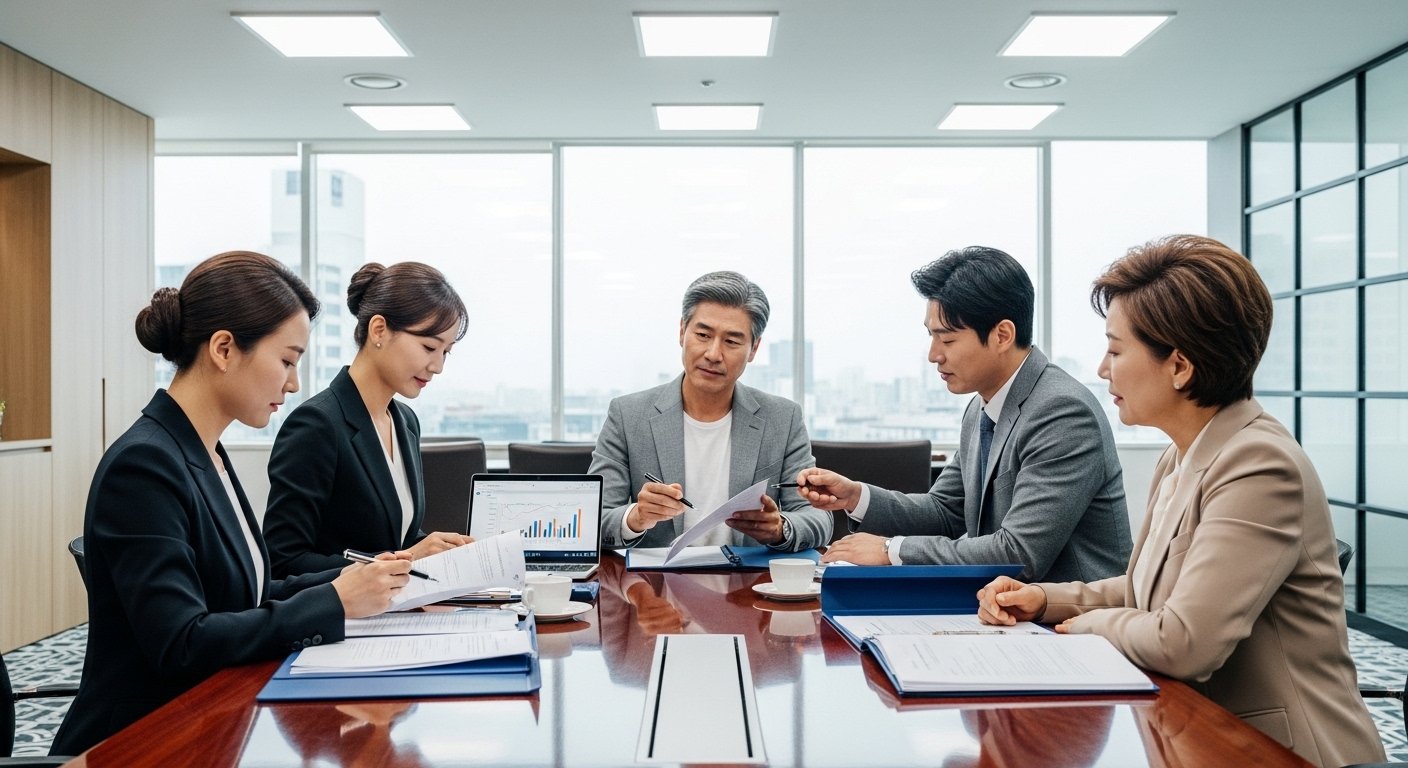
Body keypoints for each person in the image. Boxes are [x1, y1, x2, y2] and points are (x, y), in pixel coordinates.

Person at [976, 235, 1384, 767]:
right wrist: (1045, 600)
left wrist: (1083, 628)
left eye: (1116, 350)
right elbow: (1149, 588)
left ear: (1181, 366)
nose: (1103, 370)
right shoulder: (1184, 454)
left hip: (1278, 751)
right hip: (1191, 734)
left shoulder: (1260, 465)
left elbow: (1184, 641)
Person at [51, 252, 410, 756]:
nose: (293, 383)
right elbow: (182, 642)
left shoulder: (205, 451)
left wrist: (354, 581)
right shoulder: (144, 466)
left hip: (211, 721)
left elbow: (248, 591)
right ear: (223, 348)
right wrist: (333, 602)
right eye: (286, 360)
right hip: (142, 741)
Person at [799, 247, 1131, 582]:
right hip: (1003, 609)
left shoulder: (1061, 412)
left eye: (948, 339)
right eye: (932, 336)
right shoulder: (981, 408)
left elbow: (1018, 553)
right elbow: (945, 512)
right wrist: (856, 496)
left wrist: (890, 550)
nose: (933, 355)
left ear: (1002, 335)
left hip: (1069, 622)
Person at [593, 271, 832, 552]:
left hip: (748, 587)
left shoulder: (783, 418)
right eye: (703, 335)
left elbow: (819, 519)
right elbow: (594, 521)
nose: (713, 354)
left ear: (753, 348)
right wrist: (634, 518)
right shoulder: (627, 415)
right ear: (682, 331)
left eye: (731, 341)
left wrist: (780, 528)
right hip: (653, 587)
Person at [263, 262, 473, 578]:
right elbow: (283, 562)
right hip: (343, 622)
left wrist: (434, 549)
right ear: (379, 330)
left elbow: (392, 539)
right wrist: (409, 557)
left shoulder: (405, 422)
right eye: (429, 347)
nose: (437, 366)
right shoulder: (316, 425)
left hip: (396, 614)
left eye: (446, 352)